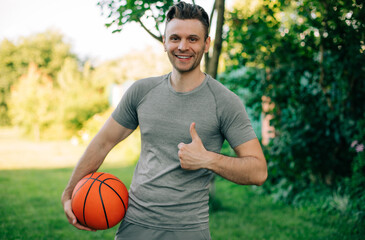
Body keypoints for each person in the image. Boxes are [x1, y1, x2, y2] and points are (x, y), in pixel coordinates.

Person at [61, 2, 268, 239]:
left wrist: (207, 159)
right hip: (134, 226)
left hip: (189, 230)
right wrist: (69, 193)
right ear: (164, 42)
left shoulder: (224, 102)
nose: (183, 46)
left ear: (206, 44)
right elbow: (103, 143)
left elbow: (258, 171)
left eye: (193, 39)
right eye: (175, 38)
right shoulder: (141, 91)